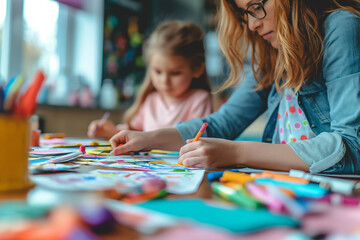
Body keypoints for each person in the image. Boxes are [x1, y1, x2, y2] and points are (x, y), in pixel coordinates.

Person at [109, 0, 360, 174]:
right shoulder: (271, 53)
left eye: (257, 7)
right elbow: (221, 124)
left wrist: (237, 152)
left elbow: (351, 146)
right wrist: (147, 138)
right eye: (245, 13)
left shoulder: (341, 27)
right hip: (282, 185)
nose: (251, 25)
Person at [88, 21, 212, 140]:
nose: (165, 81)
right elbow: (134, 133)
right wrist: (111, 131)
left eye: (175, 73)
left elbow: (196, 141)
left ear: (197, 69)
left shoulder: (199, 100)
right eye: (158, 72)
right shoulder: (151, 99)